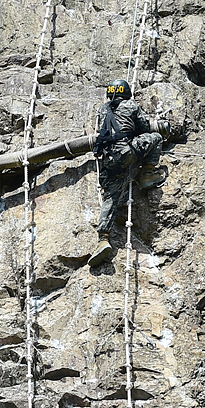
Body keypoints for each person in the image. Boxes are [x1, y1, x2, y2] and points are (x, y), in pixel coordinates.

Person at [88, 79, 171, 267]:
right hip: (126, 153)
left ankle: (103, 238)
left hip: (108, 160)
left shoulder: (103, 109)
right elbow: (143, 127)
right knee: (156, 138)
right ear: (126, 93)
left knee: (110, 197)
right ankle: (147, 174)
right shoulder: (131, 105)